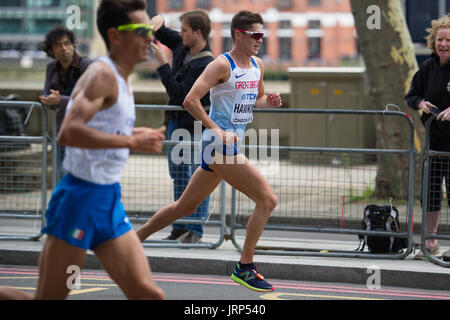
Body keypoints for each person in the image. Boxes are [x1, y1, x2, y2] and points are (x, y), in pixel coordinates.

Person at [0, 0, 165, 300]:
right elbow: (69, 132)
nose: (150, 37)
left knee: (148, 295)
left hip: (107, 199)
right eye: (142, 30)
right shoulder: (102, 75)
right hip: (79, 200)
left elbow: (103, 126)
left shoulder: (123, 77)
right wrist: (130, 142)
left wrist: (134, 133)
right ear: (115, 35)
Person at [137, 10, 282, 292]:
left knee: (185, 206)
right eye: (255, 35)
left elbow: (258, 99)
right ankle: (245, 267)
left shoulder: (257, 65)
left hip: (230, 144)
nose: (259, 40)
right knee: (267, 200)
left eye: (262, 35)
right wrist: (214, 128)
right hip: (218, 147)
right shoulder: (220, 65)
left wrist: (270, 101)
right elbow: (190, 100)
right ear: (238, 35)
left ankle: (131, 241)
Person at [150, 10, 213, 244]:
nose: (180, 33)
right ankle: (179, 226)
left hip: (194, 126)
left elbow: (180, 95)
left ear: (197, 33)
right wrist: (157, 22)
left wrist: (162, 66)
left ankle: (195, 229)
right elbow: (160, 32)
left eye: (184, 29)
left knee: (197, 178)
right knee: (178, 175)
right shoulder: (182, 45)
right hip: (175, 123)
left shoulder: (206, 64)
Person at [405, 14, 450, 262]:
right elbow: (411, 95)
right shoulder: (427, 67)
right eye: (440, 40)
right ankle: (430, 243)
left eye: (448, 40)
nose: (443, 44)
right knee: (431, 193)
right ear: (434, 42)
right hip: (433, 142)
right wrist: (421, 103)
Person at [39, 26, 93, 179]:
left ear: (73, 45)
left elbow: (91, 99)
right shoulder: (51, 68)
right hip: (62, 132)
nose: (64, 48)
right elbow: (46, 92)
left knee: (82, 180)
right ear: (51, 51)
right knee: (61, 178)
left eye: (67, 43)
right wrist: (48, 100)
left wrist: (60, 100)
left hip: (85, 133)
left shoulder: (86, 66)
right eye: (58, 45)